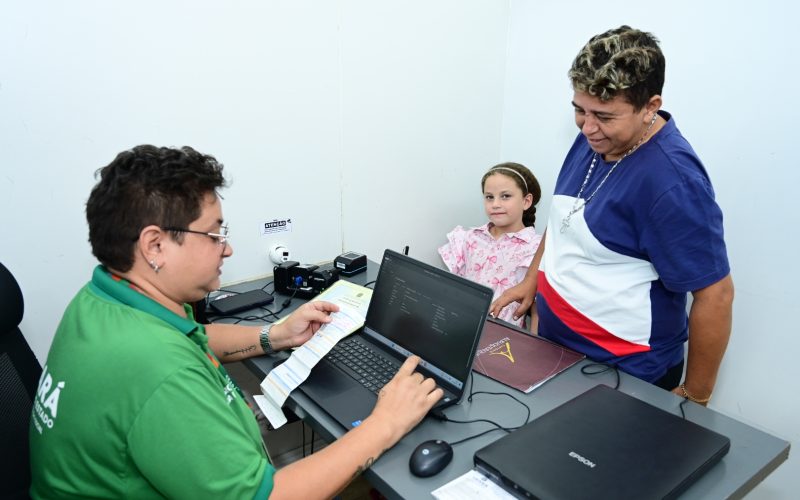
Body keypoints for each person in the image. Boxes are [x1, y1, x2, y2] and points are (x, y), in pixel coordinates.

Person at [28, 145, 443, 499]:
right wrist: (386, 422)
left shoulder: (102, 300)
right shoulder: (157, 370)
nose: (226, 250)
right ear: (155, 245)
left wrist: (275, 334)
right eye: (214, 234)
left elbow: (195, 338)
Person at [490, 26, 734, 405]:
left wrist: (694, 396)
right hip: (558, 350)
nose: (587, 127)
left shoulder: (673, 183)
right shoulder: (598, 135)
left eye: (603, 115)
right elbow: (565, 219)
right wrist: (532, 279)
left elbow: (715, 295)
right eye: (578, 110)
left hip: (625, 370)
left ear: (650, 106)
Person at [438, 162, 542, 328]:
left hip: (504, 340)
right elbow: (454, 292)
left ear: (526, 201)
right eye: (489, 197)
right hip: (461, 328)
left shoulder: (535, 248)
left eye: (505, 196)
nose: (495, 204)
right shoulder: (470, 238)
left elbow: (538, 310)